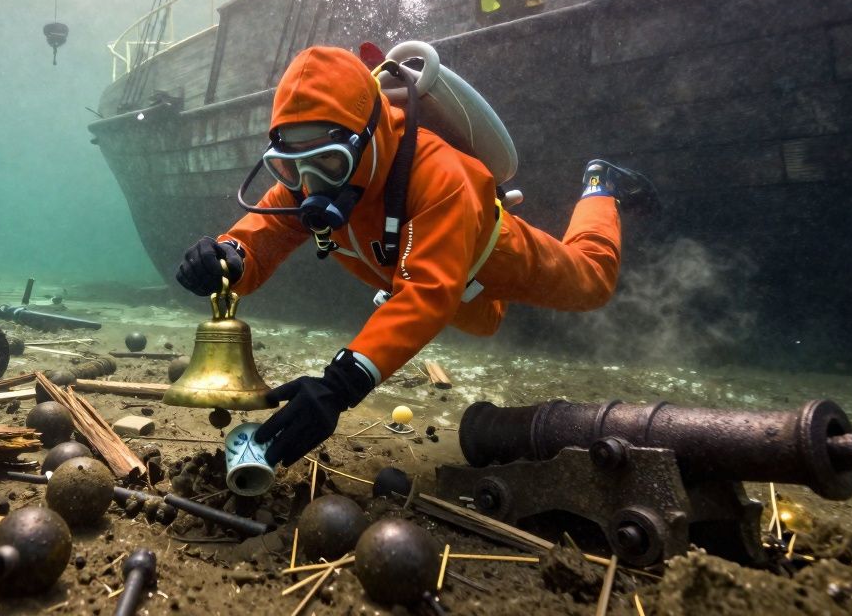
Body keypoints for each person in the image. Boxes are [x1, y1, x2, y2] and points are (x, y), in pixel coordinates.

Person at [175, 46, 656, 468]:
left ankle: (600, 187)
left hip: (490, 255)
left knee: (593, 281)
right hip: (436, 286)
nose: (311, 187)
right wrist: (228, 257)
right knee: (484, 321)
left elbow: (426, 292)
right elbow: (269, 227)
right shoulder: (310, 174)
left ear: (367, 135)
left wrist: (340, 384)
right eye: (291, 166)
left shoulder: (440, 175)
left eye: (329, 163)